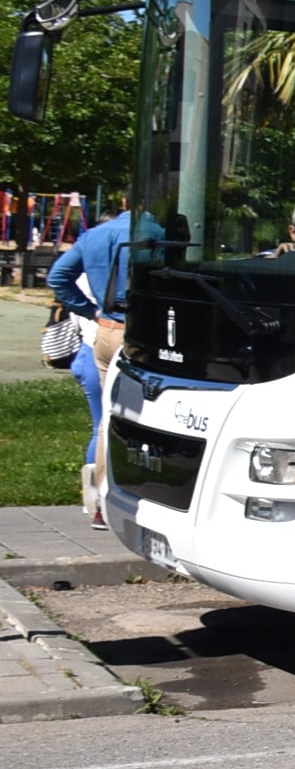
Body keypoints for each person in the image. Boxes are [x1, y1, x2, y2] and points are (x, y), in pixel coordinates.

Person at [47, 202, 132, 529]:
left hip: (103, 334)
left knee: (104, 420)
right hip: (137, 332)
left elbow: (58, 276)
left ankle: (97, 504)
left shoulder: (94, 235)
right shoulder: (156, 233)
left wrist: (90, 310)